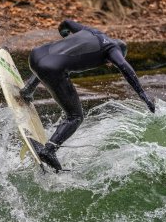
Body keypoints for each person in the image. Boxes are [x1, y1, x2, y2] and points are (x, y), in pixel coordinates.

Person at [20, 19, 155, 171]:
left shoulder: (93, 31)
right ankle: (49, 149)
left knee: (54, 62)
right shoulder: (113, 49)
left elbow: (66, 23)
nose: (111, 63)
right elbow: (125, 67)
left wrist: (65, 36)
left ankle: (27, 90)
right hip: (50, 69)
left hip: (35, 56)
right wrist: (142, 94)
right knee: (76, 116)